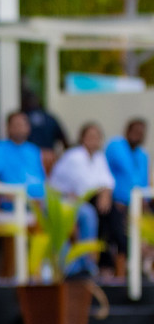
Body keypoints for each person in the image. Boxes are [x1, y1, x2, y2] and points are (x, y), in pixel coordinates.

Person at [48, 122, 115, 276]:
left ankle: (88, 265)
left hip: (79, 201)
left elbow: (108, 181)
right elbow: (85, 186)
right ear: (82, 138)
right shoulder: (74, 156)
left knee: (99, 213)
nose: (94, 139)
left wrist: (105, 193)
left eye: (97, 136)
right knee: (91, 213)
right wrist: (103, 192)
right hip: (59, 201)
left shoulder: (98, 157)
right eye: (90, 136)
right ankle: (73, 268)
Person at [103, 118, 149, 270]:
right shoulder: (115, 147)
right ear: (127, 131)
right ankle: (120, 273)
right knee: (121, 237)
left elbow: (143, 182)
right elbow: (105, 173)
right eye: (135, 131)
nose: (138, 135)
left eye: (141, 132)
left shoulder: (143, 155)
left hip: (137, 205)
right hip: (117, 203)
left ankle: (142, 270)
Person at [0, 111, 47, 201]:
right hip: (16, 203)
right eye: (16, 125)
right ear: (8, 128)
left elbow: (42, 178)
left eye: (23, 125)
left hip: (42, 202)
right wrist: (4, 191)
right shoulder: (0, 148)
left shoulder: (33, 150)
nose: (20, 128)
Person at [21, 89, 68, 154]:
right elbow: (64, 139)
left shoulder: (22, 118)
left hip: (29, 154)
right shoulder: (50, 117)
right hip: (48, 154)